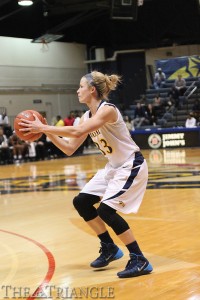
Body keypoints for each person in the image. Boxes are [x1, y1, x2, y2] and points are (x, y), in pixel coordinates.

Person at [18, 70, 153, 278]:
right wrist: (46, 131)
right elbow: (70, 148)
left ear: (92, 90)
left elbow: (77, 132)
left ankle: (139, 258)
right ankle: (109, 247)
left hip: (130, 165)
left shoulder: (107, 110)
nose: (77, 90)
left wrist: (43, 126)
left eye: (81, 86)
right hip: (113, 168)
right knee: (81, 202)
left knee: (106, 211)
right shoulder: (86, 116)